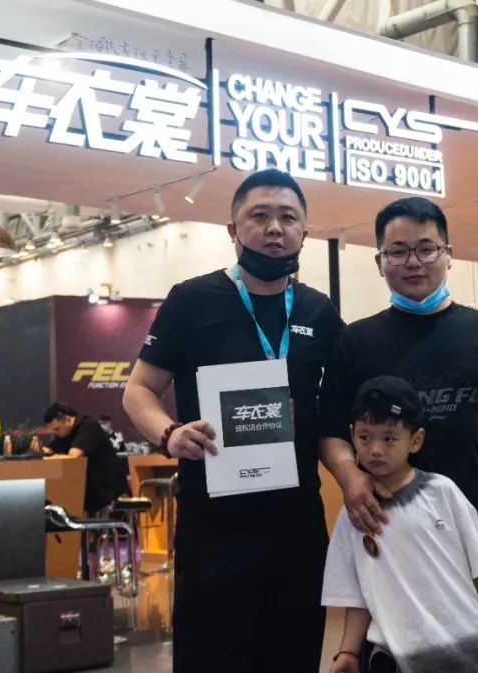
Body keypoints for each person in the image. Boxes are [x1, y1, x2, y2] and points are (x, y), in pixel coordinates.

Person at [122, 168, 345, 673]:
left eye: (288, 217)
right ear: (233, 230)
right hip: (214, 527)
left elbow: (337, 412)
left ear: (304, 232)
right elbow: (139, 390)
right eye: (259, 215)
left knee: (293, 657)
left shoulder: (319, 311)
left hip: (297, 526)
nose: (274, 228)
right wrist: (169, 433)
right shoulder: (192, 300)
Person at [319, 196, 478, 673]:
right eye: (397, 251)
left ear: (448, 254)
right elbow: (329, 430)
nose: (413, 262)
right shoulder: (355, 342)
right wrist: (351, 477)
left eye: (426, 248)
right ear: (379, 261)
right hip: (391, 554)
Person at [323, 376, 478, 673]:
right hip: (395, 656)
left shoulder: (443, 492)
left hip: (468, 645)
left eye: (389, 438)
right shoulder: (355, 513)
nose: (375, 449)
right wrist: (348, 652)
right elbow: (357, 594)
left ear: (415, 440)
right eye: (365, 437)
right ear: (352, 436)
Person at [42, 403, 121, 514]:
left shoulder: (88, 427)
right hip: (86, 487)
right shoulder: (65, 434)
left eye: (57, 429)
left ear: (67, 420)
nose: (56, 433)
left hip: (103, 487)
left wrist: (51, 455)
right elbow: (51, 450)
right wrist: (38, 449)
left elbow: (74, 456)